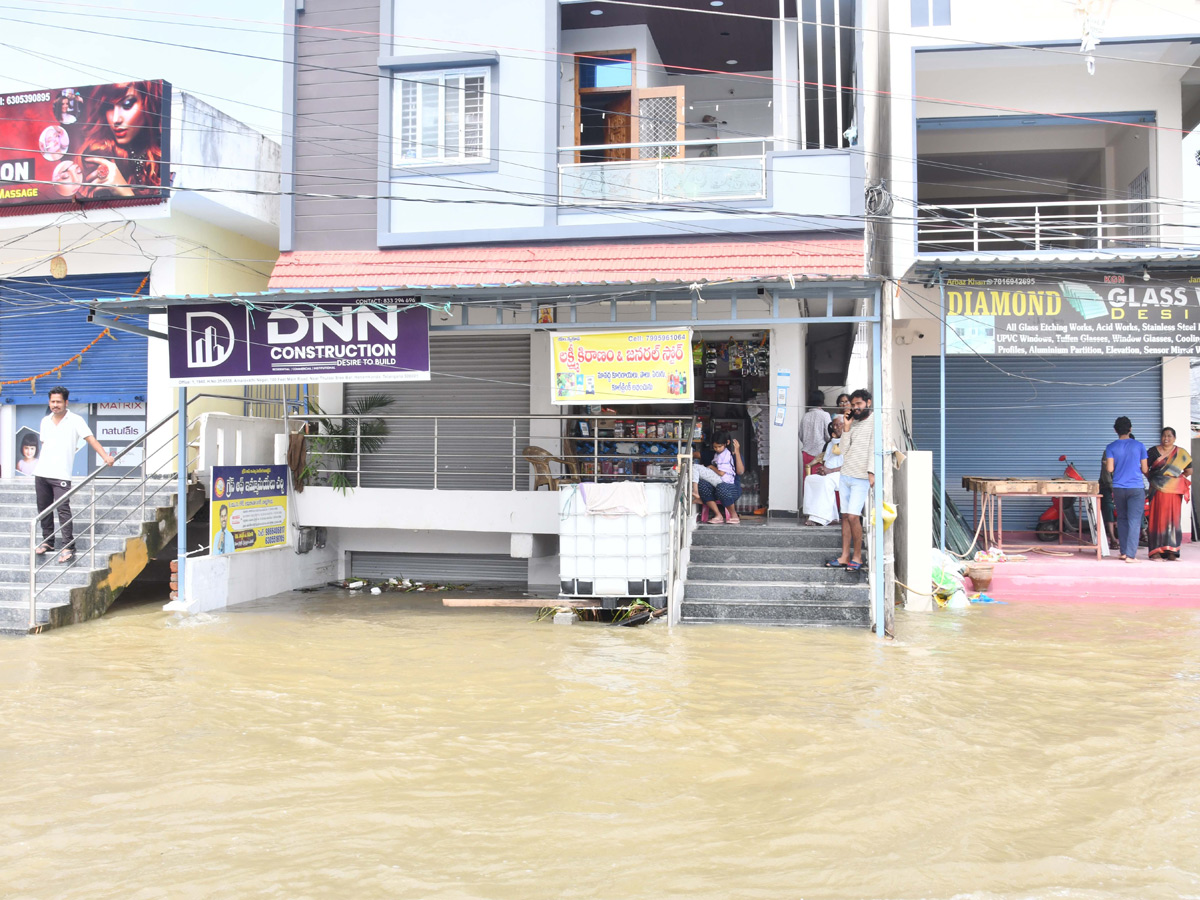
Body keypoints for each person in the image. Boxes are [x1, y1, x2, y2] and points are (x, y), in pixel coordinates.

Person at [34, 387, 115, 564]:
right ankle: (48, 542)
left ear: (66, 402)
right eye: (52, 402)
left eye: (58, 401)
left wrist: (105, 456)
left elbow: (91, 439)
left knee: (63, 510)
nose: (55, 405)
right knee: (44, 509)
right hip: (41, 472)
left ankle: (68, 546)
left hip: (61, 474)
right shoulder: (45, 421)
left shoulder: (75, 420)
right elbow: (45, 444)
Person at [77, 81, 164, 199]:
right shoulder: (100, 156)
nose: (116, 119)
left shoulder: (166, 155)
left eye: (127, 104)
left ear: (148, 103)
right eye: (109, 107)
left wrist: (125, 192)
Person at [828, 389, 874, 571]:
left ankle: (858, 556)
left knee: (854, 516)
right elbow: (843, 450)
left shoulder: (875, 422)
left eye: (859, 404)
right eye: (853, 405)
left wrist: (871, 472)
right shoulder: (852, 423)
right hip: (846, 474)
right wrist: (846, 427)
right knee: (846, 516)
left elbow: (874, 448)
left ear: (868, 403)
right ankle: (845, 556)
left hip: (861, 477)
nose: (855, 408)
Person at [1104, 416, 1148, 564]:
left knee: (1121, 519)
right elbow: (1145, 469)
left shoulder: (1111, 447)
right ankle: (1131, 555)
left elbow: (1110, 469)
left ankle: (1123, 552)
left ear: (1115, 430)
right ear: (1130, 429)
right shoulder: (1139, 446)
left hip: (1118, 488)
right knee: (1134, 520)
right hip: (1136, 488)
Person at [1147, 427, 1192, 561]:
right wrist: (1153, 479)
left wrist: (1175, 480)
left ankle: (1172, 551)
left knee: (1173, 520)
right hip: (1157, 490)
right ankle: (1155, 552)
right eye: (1164, 436)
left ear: (1174, 438)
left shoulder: (1181, 453)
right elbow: (1144, 467)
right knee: (1157, 518)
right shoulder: (1153, 452)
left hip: (1174, 492)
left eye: (1169, 436)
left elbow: (1189, 470)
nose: (1166, 438)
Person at [803, 417, 843, 526]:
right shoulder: (831, 443)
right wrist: (823, 470)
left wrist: (830, 471)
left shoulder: (850, 442)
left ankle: (819, 518)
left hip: (843, 473)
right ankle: (829, 516)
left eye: (838, 425)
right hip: (830, 472)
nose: (835, 428)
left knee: (827, 481)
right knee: (810, 479)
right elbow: (826, 460)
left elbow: (850, 464)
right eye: (834, 425)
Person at [698, 432, 744, 525]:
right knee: (702, 484)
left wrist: (737, 452)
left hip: (731, 489)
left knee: (721, 487)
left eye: (719, 446)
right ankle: (718, 515)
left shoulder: (730, 455)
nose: (717, 449)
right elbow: (697, 454)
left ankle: (734, 515)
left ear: (727, 443)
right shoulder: (714, 455)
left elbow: (740, 472)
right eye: (715, 447)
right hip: (715, 487)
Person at [798, 389, 832, 474]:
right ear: (822, 401)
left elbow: (800, 435)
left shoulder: (805, 416)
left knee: (808, 478)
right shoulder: (825, 415)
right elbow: (829, 435)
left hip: (806, 452)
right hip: (820, 454)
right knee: (818, 478)